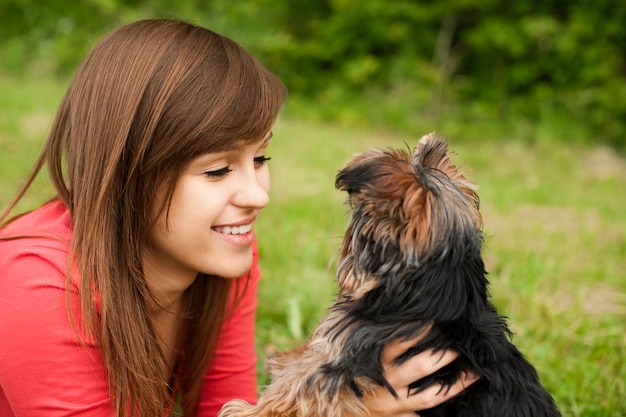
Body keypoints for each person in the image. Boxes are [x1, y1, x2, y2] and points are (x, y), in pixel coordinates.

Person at [0, 19, 477, 417]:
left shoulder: (222, 257)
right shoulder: (35, 287)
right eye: (217, 169)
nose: (257, 195)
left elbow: (225, 408)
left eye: (261, 159)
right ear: (126, 172)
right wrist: (335, 405)